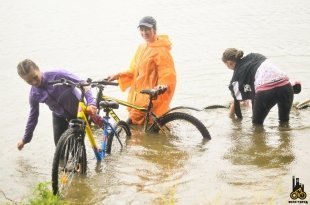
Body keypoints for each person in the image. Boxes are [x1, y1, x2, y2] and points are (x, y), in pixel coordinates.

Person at [106, 16, 177, 125]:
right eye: (142, 29)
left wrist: (161, 86)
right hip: (138, 94)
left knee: (130, 125)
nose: (144, 32)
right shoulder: (142, 47)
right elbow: (134, 70)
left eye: (147, 29)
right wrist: (118, 75)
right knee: (142, 126)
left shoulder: (161, 50)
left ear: (154, 30)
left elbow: (167, 73)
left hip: (152, 95)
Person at [17, 59, 97, 150]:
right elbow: (33, 117)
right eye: (29, 82)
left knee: (76, 148)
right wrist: (25, 140)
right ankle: (62, 164)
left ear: (38, 70)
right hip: (59, 116)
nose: (34, 82)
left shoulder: (58, 74)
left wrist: (91, 103)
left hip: (78, 113)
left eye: (35, 77)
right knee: (59, 148)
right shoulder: (34, 94)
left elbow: (84, 84)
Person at [222, 48, 294, 125]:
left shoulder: (237, 74)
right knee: (284, 122)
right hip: (286, 87)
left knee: (257, 126)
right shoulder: (255, 56)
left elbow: (236, 101)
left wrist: (231, 118)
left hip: (267, 92)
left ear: (229, 63)